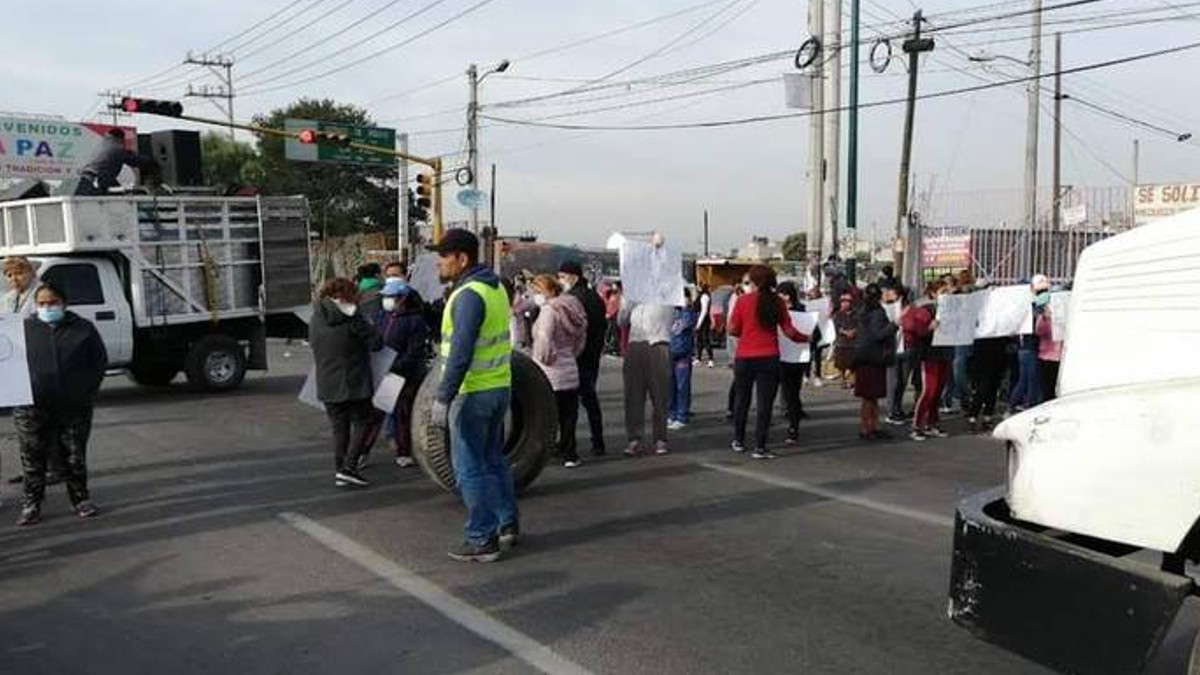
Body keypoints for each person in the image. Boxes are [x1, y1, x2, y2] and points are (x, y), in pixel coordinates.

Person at [431, 229, 518, 563]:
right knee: (494, 460)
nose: (439, 262)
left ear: (462, 258)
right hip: (499, 387)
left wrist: (443, 396)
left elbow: (461, 352)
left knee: (469, 467)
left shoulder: (468, 295)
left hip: (472, 394)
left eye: (444, 256)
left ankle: (481, 538)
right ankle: (507, 523)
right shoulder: (494, 288)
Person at [14, 282, 108, 526]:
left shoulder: (83, 329)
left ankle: (80, 499)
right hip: (31, 407)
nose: (47, 307)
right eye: (42, 303)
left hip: (73, 406)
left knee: (74, 456)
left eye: (53, 303)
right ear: (36, 306)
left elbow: (98, 363)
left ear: (64, 303)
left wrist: (85, 392)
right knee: (32, 458)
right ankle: (31, 504)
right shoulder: (23, 330)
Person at [728, 266, 809, 459]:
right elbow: (790, 332)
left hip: (745, 357)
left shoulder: (742, 301)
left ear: (754, 282)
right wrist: (807, 337)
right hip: (769, 357)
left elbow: (732, 329)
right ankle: (760, 446)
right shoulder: (778, 303)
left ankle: (739, 440)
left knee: (742, 400)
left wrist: (745, 332)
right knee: (765, 403)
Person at [310, 278, 383, 487]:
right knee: (363, 422)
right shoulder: (352, 318)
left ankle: (341, 469)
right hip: (354, 382)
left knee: (339, 428)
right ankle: (349, 467)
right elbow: (376, 343)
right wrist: (363, 322)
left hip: (327, 383)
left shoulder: (317, 316)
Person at [530, 274, 588, 468]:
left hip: (551, 371)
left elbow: (544, 339)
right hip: (570, 366)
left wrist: (540, 360)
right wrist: (571, 354)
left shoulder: (549, 311)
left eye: (536, 291)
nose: (534, 295)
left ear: (545, 291)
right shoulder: (572, 307)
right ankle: (570, 453)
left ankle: (549, 450)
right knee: (569, 416)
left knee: (548, 416)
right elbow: (580, 337)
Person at [375, 277, 429, 468]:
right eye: (386, 297)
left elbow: (414, 352)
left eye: (391, 297)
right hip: (385, 372)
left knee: (402, 415)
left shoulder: (415, 320)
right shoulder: (383, 316)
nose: (387, 300)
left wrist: (395, 366)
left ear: (403, 298)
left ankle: (404, 452)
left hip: (404, 375)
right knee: (377, 414)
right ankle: (361, 452)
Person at [559, 260, 608, 456]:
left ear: (573, 277)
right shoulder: (595, 297)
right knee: (590, 399)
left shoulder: (570, 299)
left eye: (562, 277)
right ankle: (598, 441)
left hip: (574, 356)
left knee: (568, 405)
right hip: (592, 355)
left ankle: (567, 445)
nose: (560, 280)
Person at [620, 296, 675, 457]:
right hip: (635, 343)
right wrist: (628, 302)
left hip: (658, 343)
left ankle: (660, 438)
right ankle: (634, 438)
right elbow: (621, 320)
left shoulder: (666, 293)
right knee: (633, 395)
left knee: (659, 394)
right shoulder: (632, 295)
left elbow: (668, 318)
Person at [902, 281, 955, 441]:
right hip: (929, 355)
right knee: (929, 391)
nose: (948, 293)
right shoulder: (925, 309)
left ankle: (932, 423)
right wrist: (928, 328)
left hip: (945, 353)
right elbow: (915, 329)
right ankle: (917, 426)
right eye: (943, 291)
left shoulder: (951, 309)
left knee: (938, 391)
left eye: (948, 290)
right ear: (933, 293)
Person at [853, 283, 898, 440]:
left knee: (870, 395)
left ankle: (873, 425)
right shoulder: (878, 312)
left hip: (863, 356)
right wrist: (894, 325)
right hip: (874, 357)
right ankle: (867, 427)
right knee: (870, 396)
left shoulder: (863, 311)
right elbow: (878, 334)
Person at [72, 129, 157, 195]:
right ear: (120, 139)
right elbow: (136, 161)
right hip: (100, 179)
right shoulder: (117, 148)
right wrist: (153, 161)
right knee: (119, 199)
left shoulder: (102, 144)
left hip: (85, 180)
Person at [1009, 274, 1049, 412]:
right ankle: (1028, 407)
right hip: (1031, 346)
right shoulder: (1034, 305)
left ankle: (1011, 406)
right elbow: (1039, 326)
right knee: (1032, 381)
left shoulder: (1018, 306)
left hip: (1023, 347)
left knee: (1024, 380)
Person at [777, 281, 809, 444]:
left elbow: (810, 330)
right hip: (780, 355)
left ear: (787, 296)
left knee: (793, 393)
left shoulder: (801, 310)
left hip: (796, 356)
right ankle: (790, 421)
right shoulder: (777, 310)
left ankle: (793, 426)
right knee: (783, 391)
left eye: (780, 294)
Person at [884, 285, 916, 426]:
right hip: (892, 348)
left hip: (907, 347)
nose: (887, 294)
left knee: (902, 381)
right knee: (893, 382)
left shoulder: (910, 307)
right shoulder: (885, 308)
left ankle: (898, 407)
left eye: (890, 292)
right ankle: (891, 411)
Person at [668, 291, 698, 430]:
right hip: (669, 351)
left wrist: (687, 306)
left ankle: (682, 415)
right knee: (670, 385)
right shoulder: (671, 312)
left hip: (683, 353)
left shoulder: (689, 313)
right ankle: (671, 414)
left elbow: (685, 326)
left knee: (682, 386)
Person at [1035, 286, 1062, 401]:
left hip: (1059, 357)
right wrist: (1047, 319)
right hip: (1047, 358)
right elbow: (1039, 331)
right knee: (1047, 390)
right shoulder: (1043, 318)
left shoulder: (1061, 315)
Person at [832, 294, 858, 389]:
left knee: (853, 363)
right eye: (843, 302)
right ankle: (842, 379)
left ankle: (852, 379)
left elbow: (860, 325)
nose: (845, 304)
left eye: (847, 302)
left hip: (854, 342)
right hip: (841, 342)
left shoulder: (856, 313)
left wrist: (854, 331)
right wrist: (845, 332)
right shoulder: (837, 314)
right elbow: (836, 326)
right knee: (841, 364)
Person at [693, 284, 715, 367]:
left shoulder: (704, 296)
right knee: (699, 340)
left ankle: (710, 359)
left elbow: (704, 311)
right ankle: (698, 358)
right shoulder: (701, 296)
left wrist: (699, 324)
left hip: (703, 321)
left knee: (705, 339)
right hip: (701, 319)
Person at [604, 283, 622, 356]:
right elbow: (608, 304)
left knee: (614, 333)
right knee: (609, 332)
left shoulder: (619, 296)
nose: (613, 287)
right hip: (609, 316)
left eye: (615, 286)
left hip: (614, 316)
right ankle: (610, 346)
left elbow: (617, 306)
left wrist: (611, 314)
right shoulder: (612, 294)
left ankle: (615, 348)